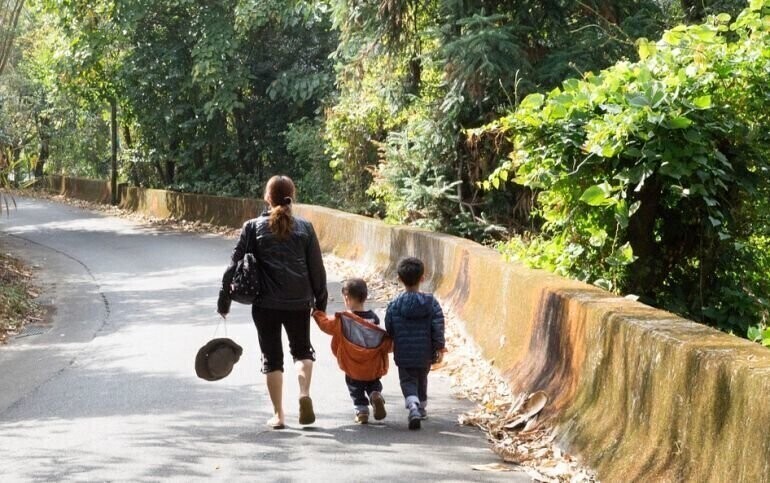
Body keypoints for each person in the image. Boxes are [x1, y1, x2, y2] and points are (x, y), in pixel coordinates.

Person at [218, 175, 327, 429]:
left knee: (271, 358)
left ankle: (279, 415)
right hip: (299, 301)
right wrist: (320, 305)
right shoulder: (306, 228)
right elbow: (317, 271)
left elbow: (231, 267)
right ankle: (304, 394)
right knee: (302, 351)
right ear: (293, 196)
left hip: (265, 304)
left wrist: (224, 301)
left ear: (267, 198)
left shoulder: (252, 227)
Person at [312, 278, 391, 424]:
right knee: (373, 383)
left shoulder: (344, 320)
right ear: (365, 297)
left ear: (347, 298)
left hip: (352, 365)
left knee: (355, 387)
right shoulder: (374, 320)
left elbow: (326, 326)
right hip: (372, 366)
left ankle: (362, 411)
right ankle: (375, 394)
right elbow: (383, 342)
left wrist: (317, 313)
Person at [385, 257, 446, 430]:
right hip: (425, 352)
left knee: (408, 380)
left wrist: (392, 340)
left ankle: (412, 405)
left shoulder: (394, 304)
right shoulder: (431, 302)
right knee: (422, 377)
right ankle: (422, 407)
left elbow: (389, 326)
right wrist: (439, 346)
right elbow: (438, 326)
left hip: (403, 352)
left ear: (399, 278)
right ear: (422, 278)